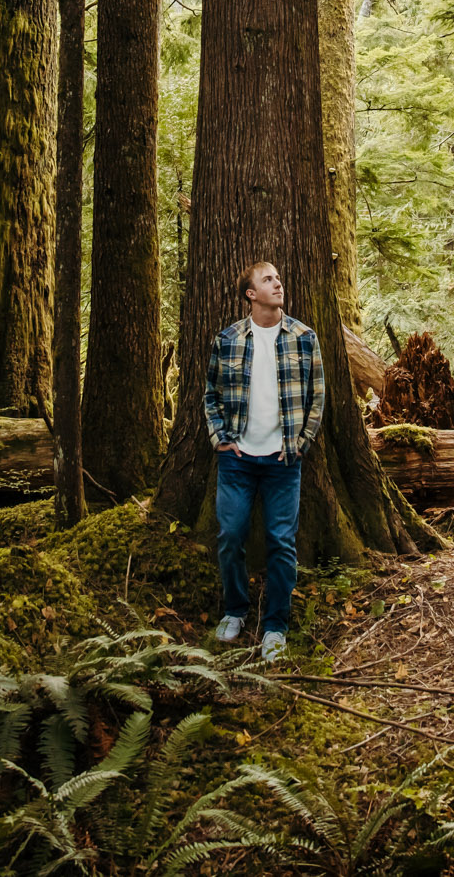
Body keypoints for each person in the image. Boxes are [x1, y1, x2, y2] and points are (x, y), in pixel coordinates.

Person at [203, 260, 322, 659]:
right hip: (237, 459)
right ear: (250, 294)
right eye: (267, 280)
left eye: (278, 278)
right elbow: (210, 395)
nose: (278, 283)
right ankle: (235, 611)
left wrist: (301, 444)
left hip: (284, 460)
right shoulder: (229, 339)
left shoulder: (304, 337)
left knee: (281, 542)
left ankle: (275, 624)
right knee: (231, 535)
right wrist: (220, 438)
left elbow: (316, 398)